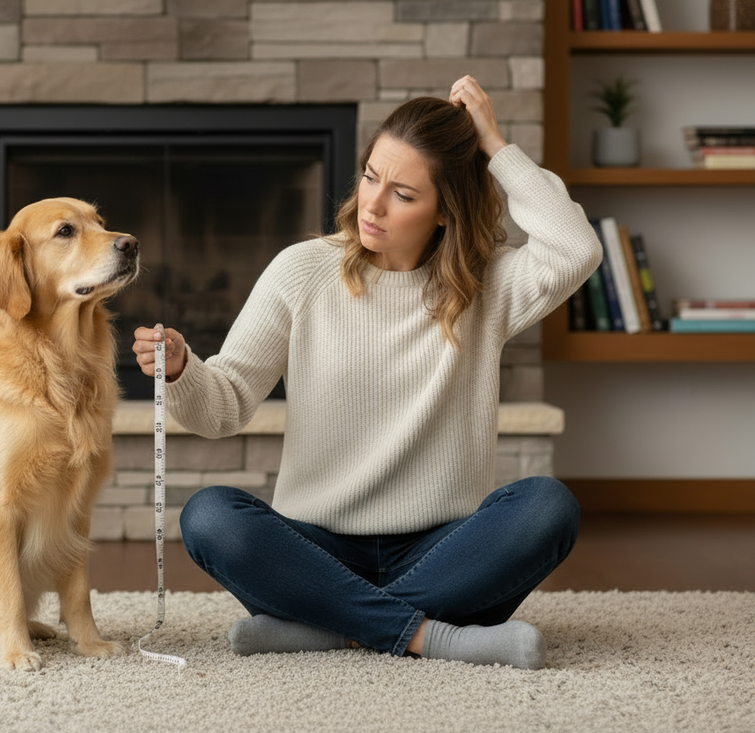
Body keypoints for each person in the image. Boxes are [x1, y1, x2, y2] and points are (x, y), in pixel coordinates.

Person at [132, 76, 603, 670]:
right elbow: (225, 405)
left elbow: (575, 247)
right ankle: (431, 636)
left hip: (443, 550)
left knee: (548, 506)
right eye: (371, 176)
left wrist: (496, 145)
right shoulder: (302, 272)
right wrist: (180, 371)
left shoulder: (487, 286)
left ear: (445, 211)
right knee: (210, 517)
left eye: (404, 194)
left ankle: (329, 625)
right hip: (314, 548)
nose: (373, 204)